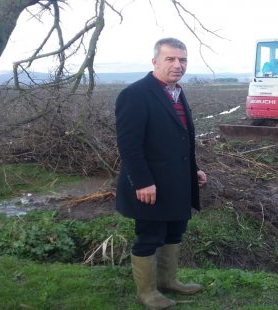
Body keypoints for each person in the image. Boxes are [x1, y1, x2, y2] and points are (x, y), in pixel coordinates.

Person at [115, 37, 206, 309]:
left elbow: (178, 140)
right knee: (149, 236)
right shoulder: (136, 94)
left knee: (175, 232)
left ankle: (168, 281)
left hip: (177, 183)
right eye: (170, 59)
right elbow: (129, 146)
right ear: (155, 61)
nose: (178, 65)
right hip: (150, 186)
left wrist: (195, 169)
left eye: (183, 59)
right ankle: (147, 293)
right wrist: (142, 181)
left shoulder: (176, 92)